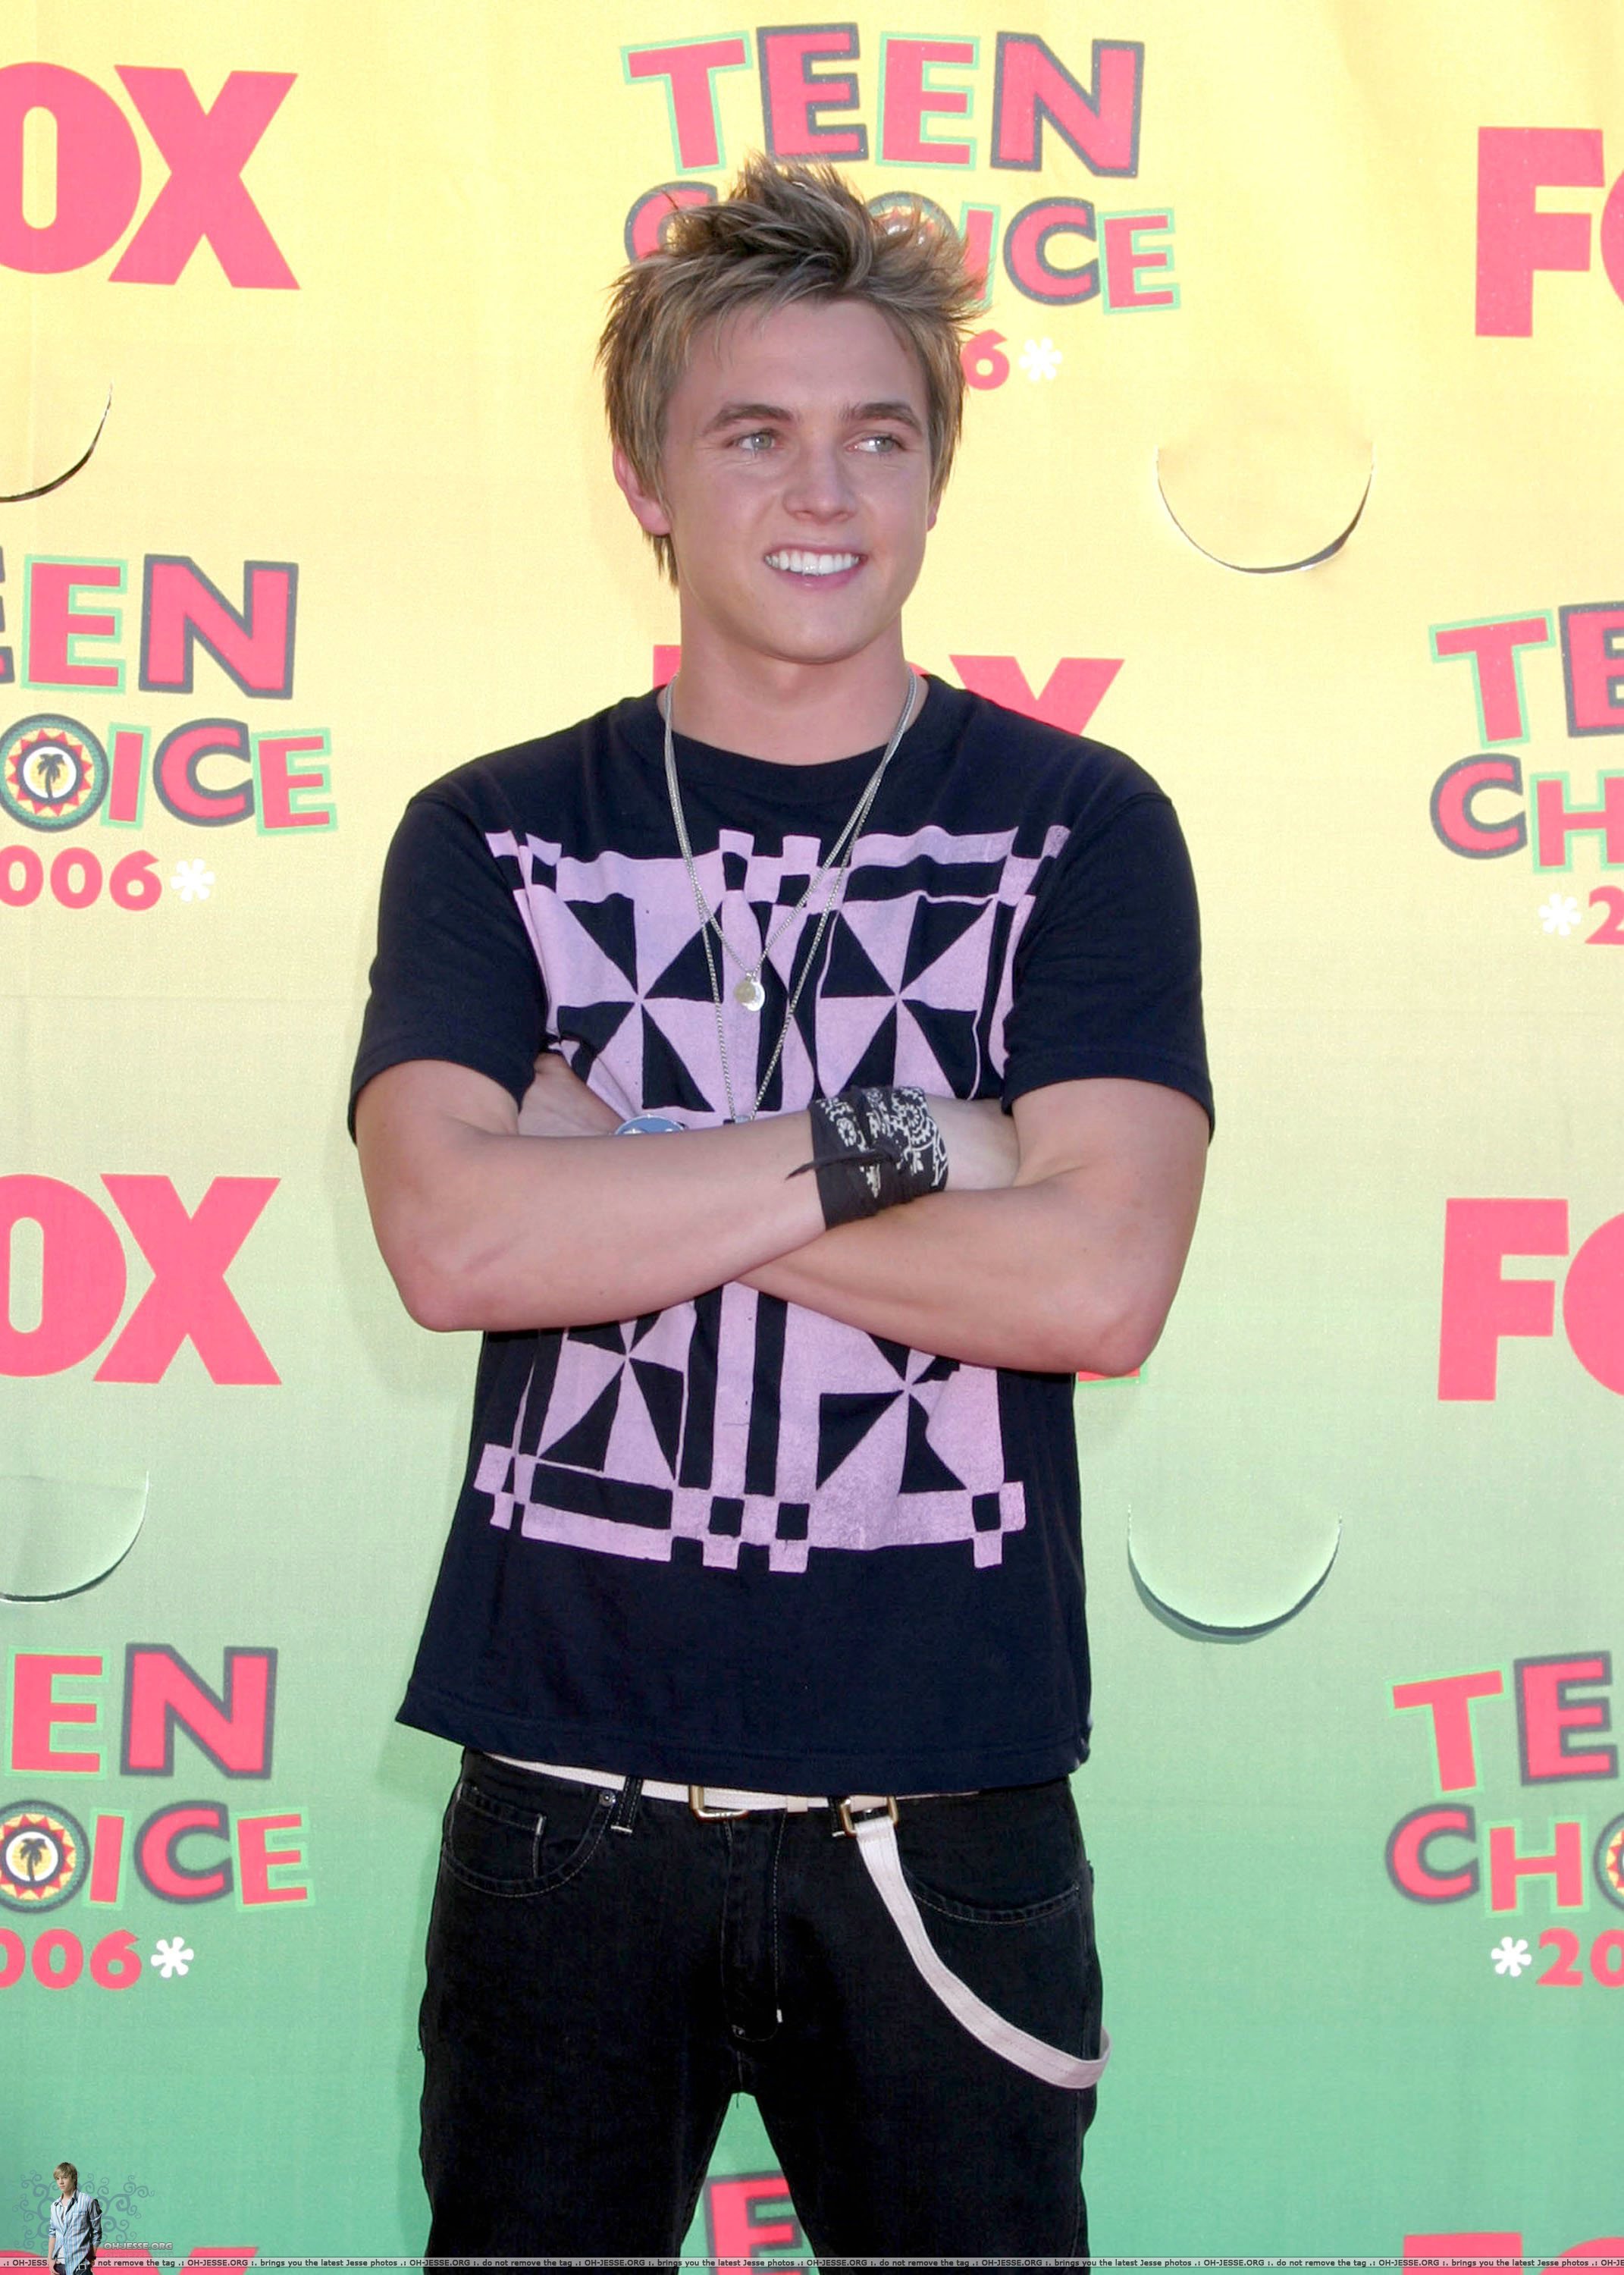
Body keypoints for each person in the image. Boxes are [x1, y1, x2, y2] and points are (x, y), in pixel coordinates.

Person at [352, 155, 1211, 2266]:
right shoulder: (492, 834)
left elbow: (1097, 1282)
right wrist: (926, 1136)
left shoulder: (1078, 827)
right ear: (646, 479)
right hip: (563, 1809)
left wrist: (605, 1164)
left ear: (935, 475)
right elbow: (454, 1244)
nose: (822, 491)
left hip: (948, 1816)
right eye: (753, 434)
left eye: (876, 437)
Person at [45, 2165, 99, 2274]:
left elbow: (96, 2231)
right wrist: (50, 2259)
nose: (60, 2182)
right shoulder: (55, 2206)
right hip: (58, 2266)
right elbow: (53, 2233)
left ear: (74, 2178)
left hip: (80, 2267)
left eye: (64, 2178)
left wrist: (92, 2256)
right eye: (57, 2179)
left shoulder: (87, 2201)